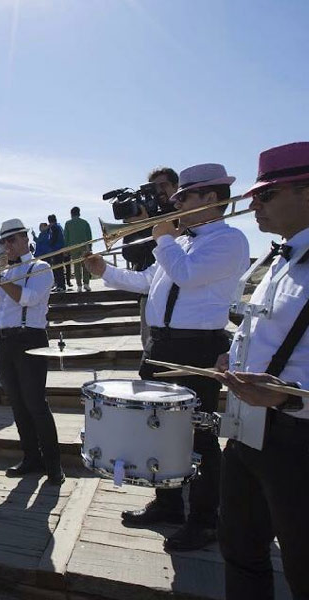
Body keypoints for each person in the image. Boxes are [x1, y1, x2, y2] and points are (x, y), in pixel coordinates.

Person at [84, 163, 250, 551]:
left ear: (210, 198)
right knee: (155, 428)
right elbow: (148, 282)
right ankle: (168, 503)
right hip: (161, 345)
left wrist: (163, 238)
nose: (174, 204)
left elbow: (188, 275)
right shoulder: (181, 242)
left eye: (182, 197)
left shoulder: (229, 240)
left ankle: (205, 519)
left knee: (200, 434)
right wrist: (104, 270)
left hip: (197, 346)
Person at [213, 142, 309, 599]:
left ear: (306, 193)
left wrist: (288, 393)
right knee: (240, 549)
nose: (253, 205)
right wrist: (232, 358)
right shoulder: (277, 260)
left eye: (266, 195)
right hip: (249, 430)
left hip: (298, 439)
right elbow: (261, 328)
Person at [0, 220, 64, 485]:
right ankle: (31, 457)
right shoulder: (2, 270)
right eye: (4, 241)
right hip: (3, 341)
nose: (7, 246)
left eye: (12, 240)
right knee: (17, 404)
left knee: (36, 404)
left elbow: (29, 298)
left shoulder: (41, 267)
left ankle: (53, 464)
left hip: (30, 339)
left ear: (26, 239)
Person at [122, 167, 179, 350]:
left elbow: (170, 249)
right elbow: (129, 254)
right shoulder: (146, 214)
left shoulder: (183, 214)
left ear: (176, 186)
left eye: (164, 185)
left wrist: (148, 225)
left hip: (179, 291)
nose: (159, 191)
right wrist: (138, 225)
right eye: (154, 188)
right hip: (149, 291)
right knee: (150, 346)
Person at [64, 206, 93, 292]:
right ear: (79, 213)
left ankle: (79, 285)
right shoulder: (85, 222)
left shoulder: (68, 223)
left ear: (71, 214)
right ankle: (86, 284)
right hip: (85, 247)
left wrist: (66, 249)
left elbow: (66, 237)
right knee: (86, 266)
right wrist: (90, 247)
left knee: (76, 267)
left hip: (73, 248)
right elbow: (89, 236)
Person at [46, 215, 66, 292]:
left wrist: (49, 244)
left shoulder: (54, 228)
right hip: (60, 249)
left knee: (57, 268)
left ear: (50, 221)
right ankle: (60, 285)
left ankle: (60, 286)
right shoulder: (59, 226)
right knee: (59, 268)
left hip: (56, 250)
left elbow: (53, 239)